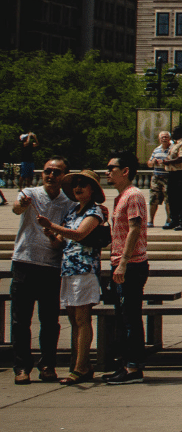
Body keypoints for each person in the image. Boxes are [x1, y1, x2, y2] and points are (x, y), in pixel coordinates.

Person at [38, 169, 107, 385]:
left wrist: (51, 225)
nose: (78, 188)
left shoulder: (95, 212)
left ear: (92, 190)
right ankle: (81, 365)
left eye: (83, 184)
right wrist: (51, 234)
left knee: (82, 319)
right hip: (68, 269)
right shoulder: (72, 212)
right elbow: (61, 241)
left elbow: (79, 234)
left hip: (85, 269)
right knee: (73, 320)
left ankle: (80, 367)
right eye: (75, 184)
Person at [10, 156, 72, 384]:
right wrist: (22, 204)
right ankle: (21, 367)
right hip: (25, 262)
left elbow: (66, 240)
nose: (51, 175)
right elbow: (17, 209)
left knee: (49, 321)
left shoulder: (69, 202)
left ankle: (47, 365)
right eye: (48, 171)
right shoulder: (31, 193)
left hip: (50, 265)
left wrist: (55, 239)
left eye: (57, 172)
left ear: (65, 175)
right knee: (20, 321)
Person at [102, 152, 149, 384]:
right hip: (120, 263)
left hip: (131, 265)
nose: (107, 172)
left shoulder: (133, 196)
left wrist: (123, 263)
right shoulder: (120, 197)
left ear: (126, 171)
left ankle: (133, 368)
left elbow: (135, 228)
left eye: (112, 168)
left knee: (130, 317)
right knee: (123, 317)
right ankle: (125, 364)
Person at [163, 127, 182, 230]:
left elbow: (181, 158)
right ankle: (174, 220)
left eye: (174, 132)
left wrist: (168, 162)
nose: (172, 134)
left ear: (179, 133)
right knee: (172, 198)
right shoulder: (175, 144)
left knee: (180, 197)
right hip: (172, 173)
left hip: (180, 173)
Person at [147, 131, 171, 225]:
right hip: (156, 177)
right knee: (153, 200)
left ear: (169, 138)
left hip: (167, 177)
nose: (164, 139)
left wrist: (165, 161)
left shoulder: (172, 149)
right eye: (162, 137)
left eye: (166, 137)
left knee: (168, 200)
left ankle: (169, 220)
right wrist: (153, 162)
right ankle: (151, 220)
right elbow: (149, 163)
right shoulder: (156, 150)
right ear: (159, 139)